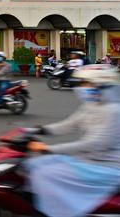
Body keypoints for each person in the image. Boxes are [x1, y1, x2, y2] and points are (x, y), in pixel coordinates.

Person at [24, 66, 120, 217]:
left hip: (105, 167)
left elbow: (94, 143)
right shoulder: (91, 105)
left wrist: (48, 149)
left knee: (45, 174)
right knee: (33, 165)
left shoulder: (114, 111)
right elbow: (69, 125)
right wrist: (37, 130)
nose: (81, 87)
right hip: (87, 160)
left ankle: (56, 212)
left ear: (101, 84)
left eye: (85, 83)